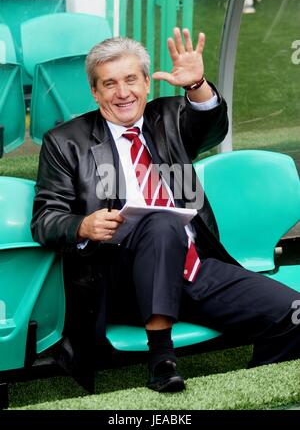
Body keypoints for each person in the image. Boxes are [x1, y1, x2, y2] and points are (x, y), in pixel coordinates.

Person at [31, 27, 300, 394]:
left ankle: (246, 391)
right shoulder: (66, 141)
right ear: (94, 92)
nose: (122, 92)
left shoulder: (169, 118)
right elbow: (46, 219)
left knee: (295, 312)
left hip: (194, 268)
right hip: (120, 281)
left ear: (146, 82)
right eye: (109, 84)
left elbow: (209, 126)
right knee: (160, 221)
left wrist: (197, 85)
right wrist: (83, 225)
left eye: (130, 79)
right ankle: (162, 357)